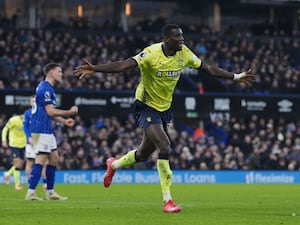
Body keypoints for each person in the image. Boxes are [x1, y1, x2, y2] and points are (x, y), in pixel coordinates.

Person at [74, 23, 256, 213]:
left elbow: (208, 69)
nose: (182, 40)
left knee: (143, 154)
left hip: (164, 108)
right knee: (164, 145)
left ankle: (114, 165)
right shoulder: (151, 53)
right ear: (167, 39)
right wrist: (95, 69)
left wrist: (236, 77)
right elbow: (124, 65)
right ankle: (167, 200)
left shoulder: (184, 53)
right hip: (145, 105)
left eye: (182, 36)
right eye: (178, 37)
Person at [25, 63, 78, 201]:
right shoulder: (45, 89)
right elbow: (50, 111)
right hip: (40, 129)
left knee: (54, 158)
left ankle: (50, 191)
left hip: (46, 128)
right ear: (51, 73)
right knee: (41, 160)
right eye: (59, 71)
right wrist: (69, 112)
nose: (61, 74)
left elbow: (48, 113)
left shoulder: (47, 88)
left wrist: (64, 121)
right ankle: (31, 192)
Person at [23, 95, 47, 189]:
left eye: (34, 101)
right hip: (31, 140)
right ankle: (30, 182)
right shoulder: (27, 113)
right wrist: (29, 137)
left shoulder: (41, 112)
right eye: (31, 101)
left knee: (44, 161)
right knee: (30, 162)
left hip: (41, 139)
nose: (33, 102)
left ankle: (45, 183)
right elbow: (25, 126)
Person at [2, 111, 26, 190]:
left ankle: (8, 173)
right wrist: (4, 140)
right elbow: (5, 129)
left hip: (23, 144)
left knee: (20, 164)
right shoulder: (13, 120)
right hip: (14, 144)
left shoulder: (29, 120)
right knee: (17, 164)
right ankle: (17, 184)